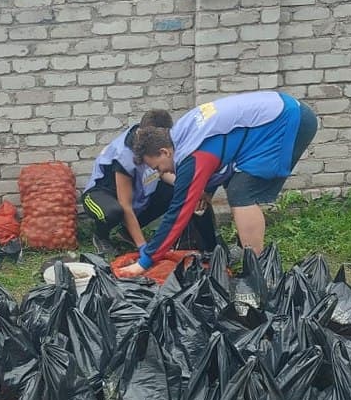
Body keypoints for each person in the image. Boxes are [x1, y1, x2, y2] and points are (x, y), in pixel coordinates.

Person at [118, 90, 319, 277]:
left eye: (157, 166)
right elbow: (221, 151)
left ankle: (257, 270)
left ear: (164, 152)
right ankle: (247, 253)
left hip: (287, 121)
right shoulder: (180, 133)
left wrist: (144, 262)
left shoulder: (192, 156)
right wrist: (207, 190)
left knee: (242, 192)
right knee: (238, 184)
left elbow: (178, 213)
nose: (162, 172)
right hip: (280, 112)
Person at [81, 110, 218, 259]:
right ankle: (101, 235)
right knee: (114, 212)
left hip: (137, 192)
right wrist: (144, 248)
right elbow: (125, 204)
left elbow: (163, 172)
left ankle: (127, 233)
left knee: (176, 191)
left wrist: (193, 189)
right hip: (102, 194)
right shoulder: (125, 155)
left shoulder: (158, 145)